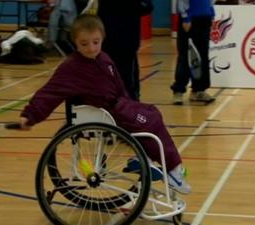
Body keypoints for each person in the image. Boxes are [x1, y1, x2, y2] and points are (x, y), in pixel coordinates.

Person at [17, 14, 191, 194]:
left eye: (96, 42)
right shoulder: (71, 67)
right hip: (107, 112)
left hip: (120, 105)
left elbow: (120, 86)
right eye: (84, 44)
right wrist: (29, 116)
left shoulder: (104, 59)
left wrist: (131, 105)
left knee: (152, 113)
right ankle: (173, 169)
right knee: (150, 121)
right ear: (75, 42)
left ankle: (146, 158)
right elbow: (49, 92)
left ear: (102, 39)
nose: (91, 48)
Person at [98, 0, 153, 101]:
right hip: (107, 35)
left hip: (127, 36)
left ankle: (130, 105)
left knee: (127, 77)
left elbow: (147, 7)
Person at [171, 0, 216, 105]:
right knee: (185, 56)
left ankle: (198, 90)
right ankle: (179, 90)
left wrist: (211, 12)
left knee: (203, 57)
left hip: (205, 18)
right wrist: (185, 17)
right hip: (190, 19)